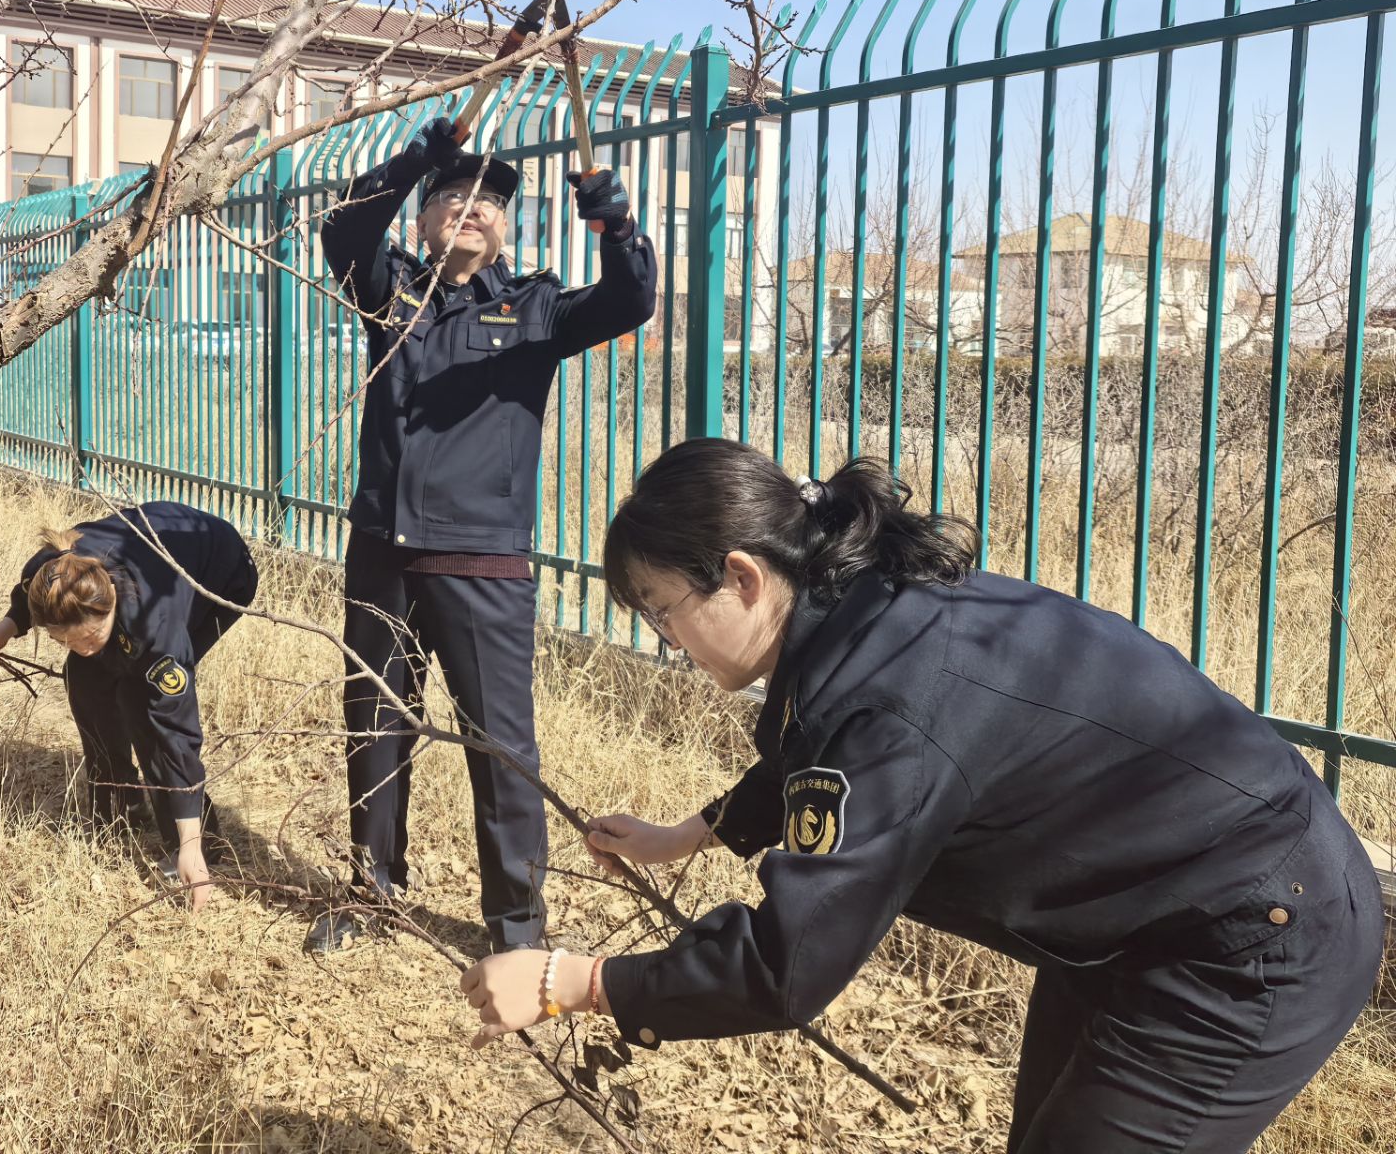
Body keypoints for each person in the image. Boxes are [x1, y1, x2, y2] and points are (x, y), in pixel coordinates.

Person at [459, 439, 1383, 1153]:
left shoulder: (890, 694)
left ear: (740, 576)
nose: (664, 637)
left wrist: (572, 983)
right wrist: (691, 833)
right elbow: (814, 758)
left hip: (1249, 939)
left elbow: (788, 963)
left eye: (662, 607)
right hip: (1148, 916)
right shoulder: (859, 609)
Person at [310, 115, 657, 954]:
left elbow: (630, 299)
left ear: (505, 229)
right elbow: (344, 225)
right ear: (425, 222)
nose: (471, 208)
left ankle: (516, 930)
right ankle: (374, 892)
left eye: (489, 202)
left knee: (499, 748)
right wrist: (426, 154)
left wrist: (617, 224)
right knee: (376, 725)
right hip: (382, 554)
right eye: (452, 198)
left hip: (483, 564)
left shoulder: (534, 308)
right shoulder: (390, 290)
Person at [0, 502, 259, 911]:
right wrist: (5, 628)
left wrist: (190, 845)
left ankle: (197, 843)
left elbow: (177, 731)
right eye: (65, 642)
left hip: (219, 569)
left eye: (91, 636)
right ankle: (120, 800)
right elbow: (29, 601)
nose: (81, 648)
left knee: (142, 703)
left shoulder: (156, 629)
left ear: (111, 604)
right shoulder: (50, 572)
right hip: (151, 550)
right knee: (85, 680)